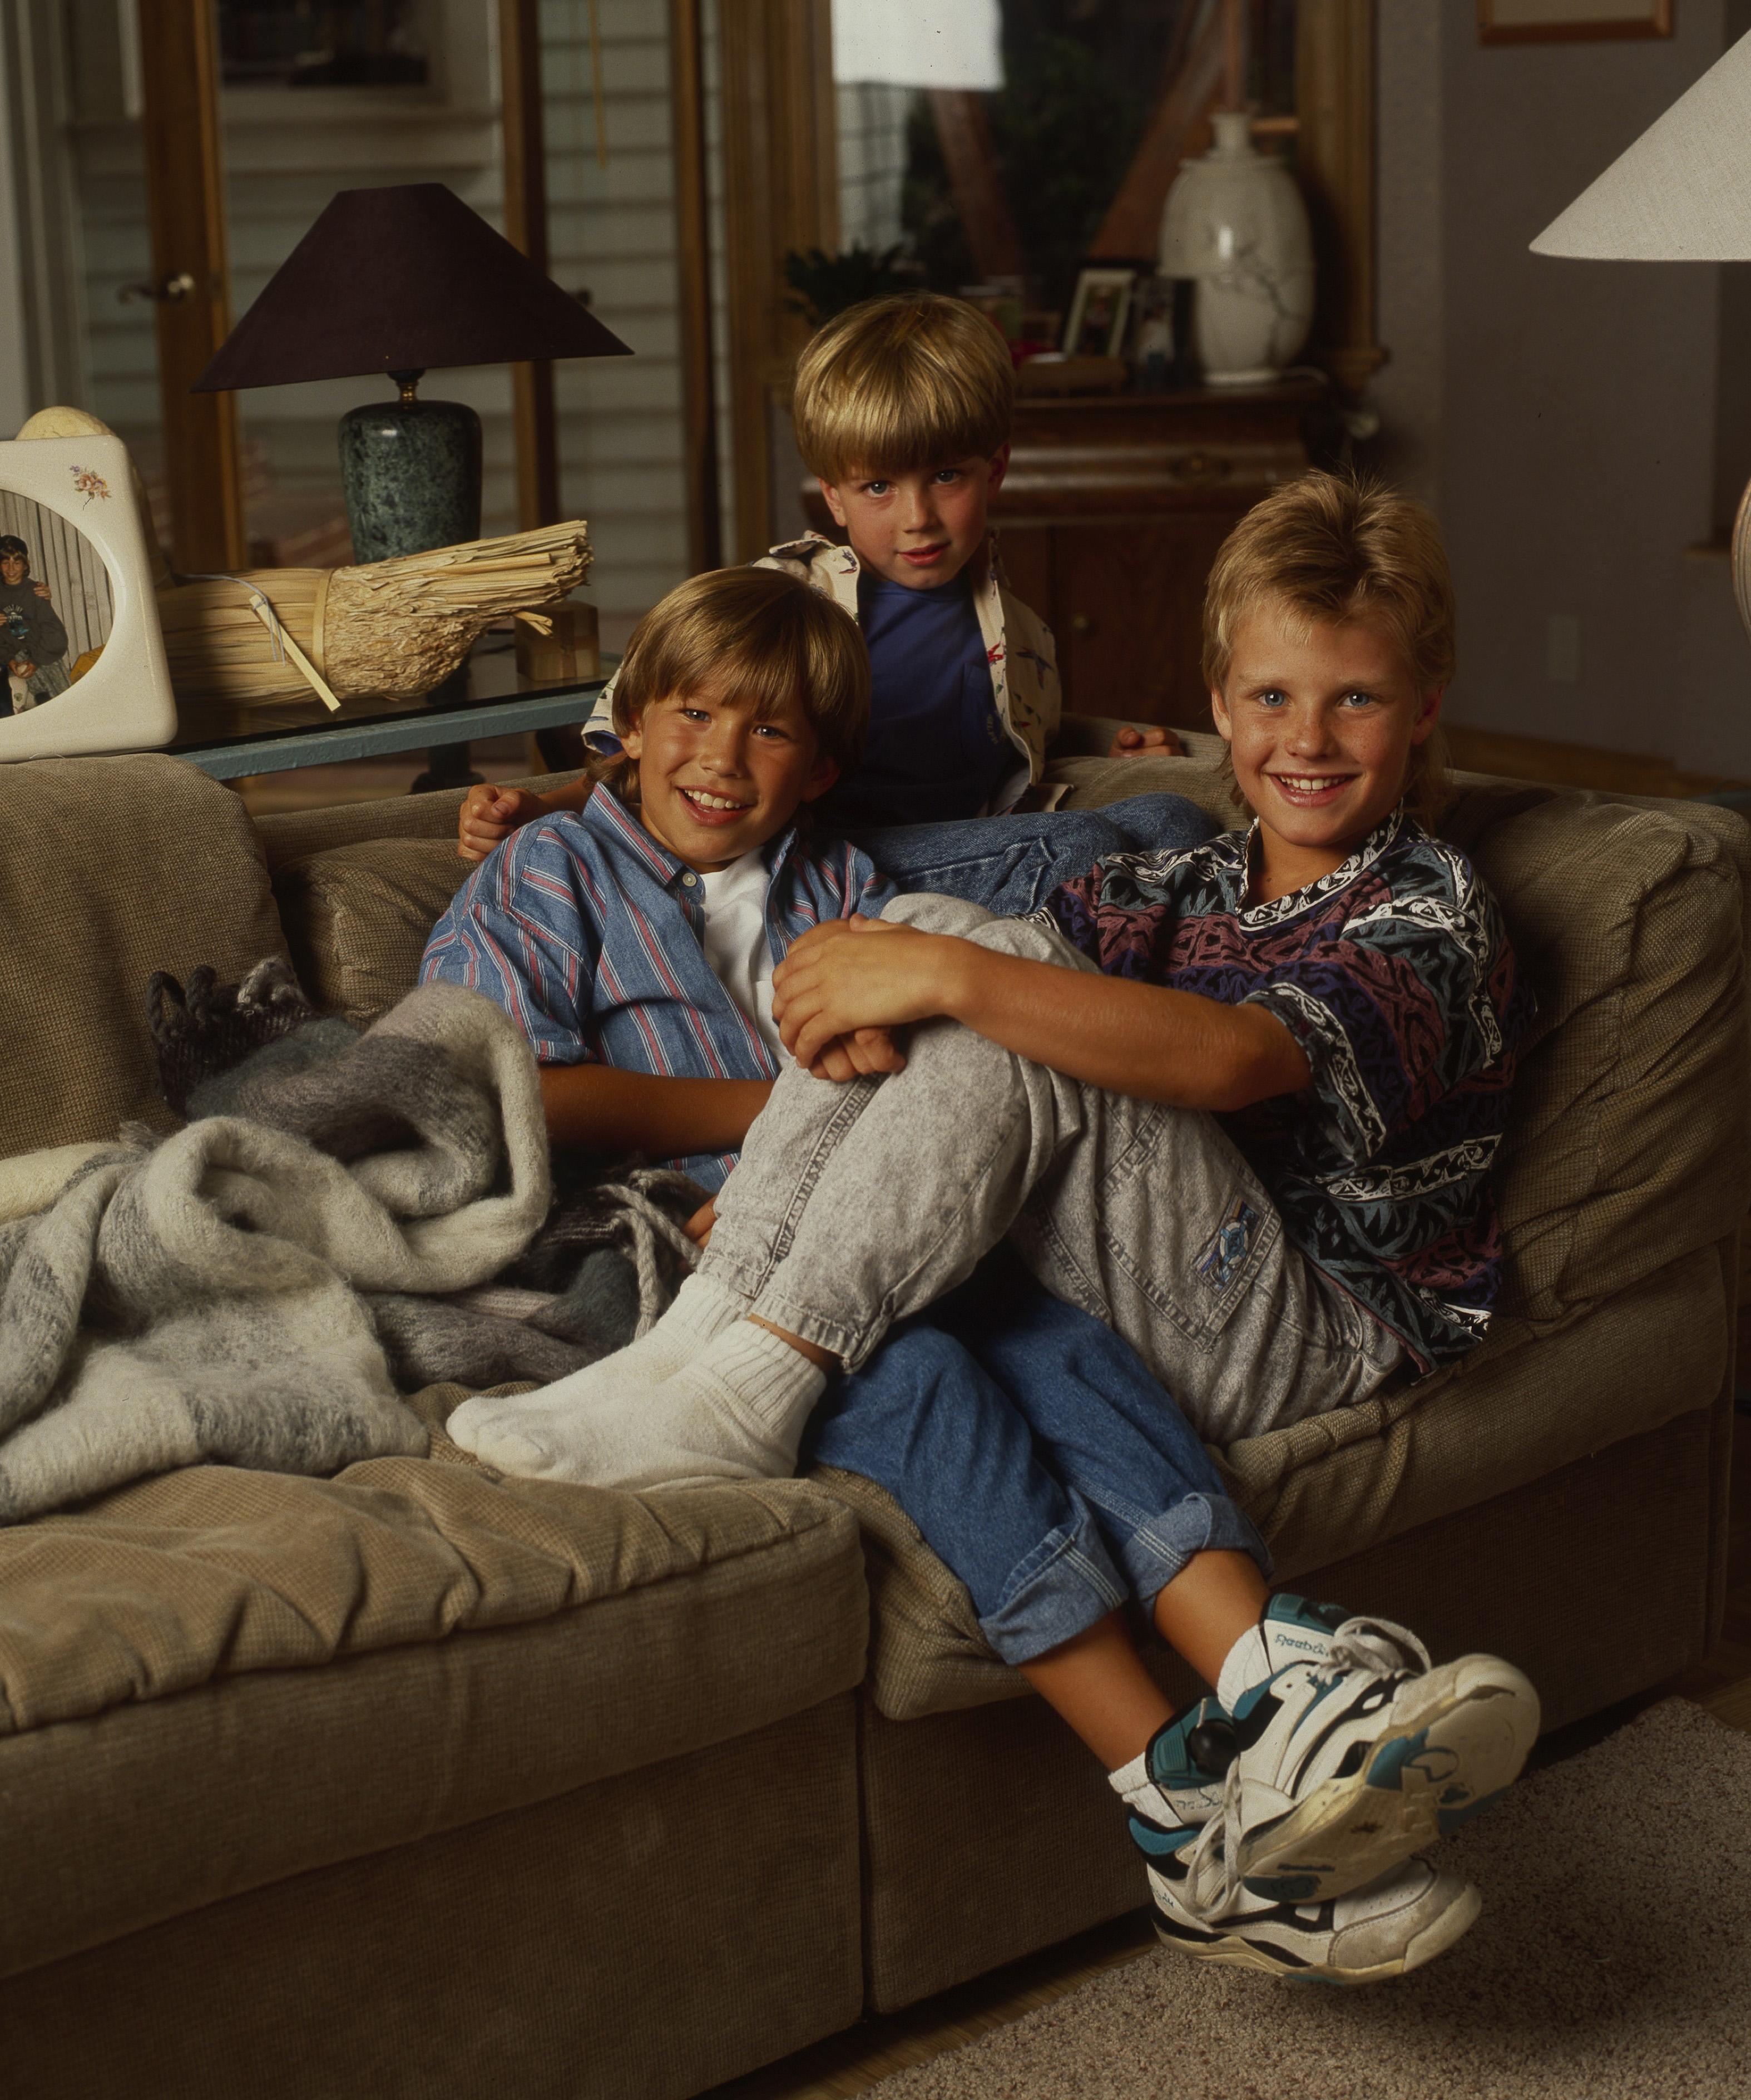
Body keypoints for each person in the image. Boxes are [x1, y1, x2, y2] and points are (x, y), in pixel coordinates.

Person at [449, 473, 1542, 1985]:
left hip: (1312, 1323)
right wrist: (812, 1150)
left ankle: (731, 1355)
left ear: (1421, 709)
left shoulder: (1432, 907)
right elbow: (907, 1028)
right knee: (914, 1271)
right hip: (1149, 1291)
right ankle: (1199, 1796)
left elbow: (1231, 1061)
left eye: (1353, 699)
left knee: (975, 962)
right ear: (1217, 699)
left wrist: (949, 977)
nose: (1305, 738)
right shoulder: (1178, 879)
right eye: (1273, 693)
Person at [452, 292, 1189, 912]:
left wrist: (1115, 745)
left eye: (945, 475)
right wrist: (544, 807)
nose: (917, 517)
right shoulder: (783, 603)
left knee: (1174, 818)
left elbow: (1025, 759)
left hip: (957, 852)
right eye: (878, 486)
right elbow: (652, 741)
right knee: (1084, 847)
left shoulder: (1022, 635)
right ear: (832, 495)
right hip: (819, 872)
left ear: (995, 469)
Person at [0, 535, 70, 716]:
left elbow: (54, 632)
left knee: (65, 700)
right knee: (43, 700)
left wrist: (37, 661)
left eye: (17, 562)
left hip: (43, 651)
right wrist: (9, 659)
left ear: (26, 564)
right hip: (17, 655)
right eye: (5, 562)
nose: (11, 569)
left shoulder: (36, 591)